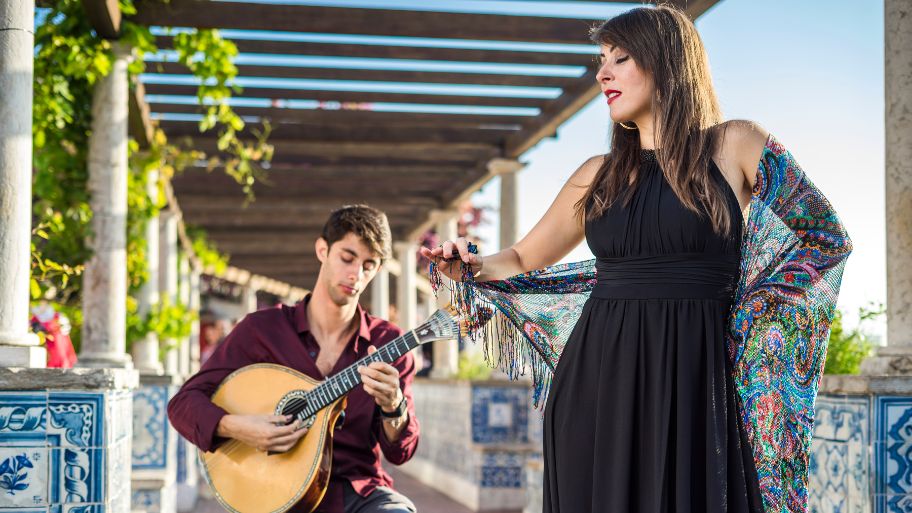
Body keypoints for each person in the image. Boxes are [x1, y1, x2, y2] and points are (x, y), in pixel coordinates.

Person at [421, 5, 851, 513]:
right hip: (597, 381)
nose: (602, 73)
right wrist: (467, 265)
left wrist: (756, 313)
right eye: (601, 59)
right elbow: (520, 256)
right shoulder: (596, 174)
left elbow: (825, 237)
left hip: (702, 376)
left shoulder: (737, 143)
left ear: (667, 62)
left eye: (619, 58)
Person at [169, 205, 419, 513]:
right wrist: (239, 427)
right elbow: (183, 404)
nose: (356, 273)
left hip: (358, 494)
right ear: (322, 250)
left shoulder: (388, 344)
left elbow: (400, 452)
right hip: (273, 492)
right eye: (347, 257)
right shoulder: (262, 330)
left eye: (369, 265)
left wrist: (394, 406)